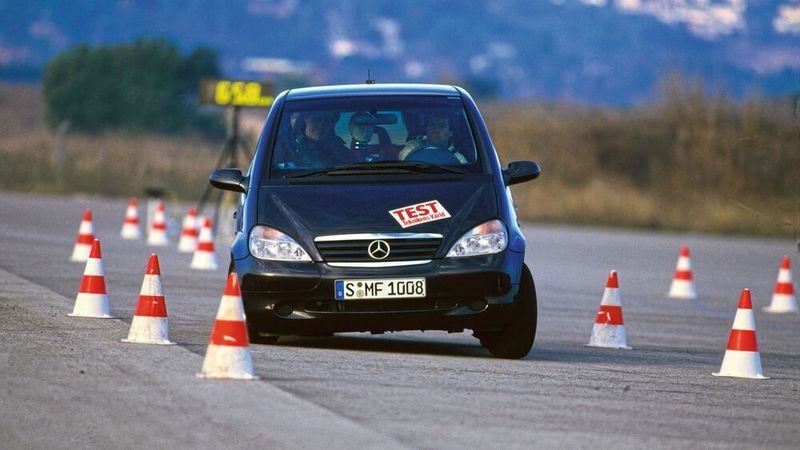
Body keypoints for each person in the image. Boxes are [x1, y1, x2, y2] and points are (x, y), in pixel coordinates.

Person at [292, 111, 358, 167]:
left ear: (332, 125)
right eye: (317, 119)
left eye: (327, 121)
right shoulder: (290, 148)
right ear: (305, 118)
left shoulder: (342, 153)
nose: (321, 125)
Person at [399, 111, 467, 163]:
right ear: (426, 129)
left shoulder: (459, 159)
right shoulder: (414, 145)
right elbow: (404, 157)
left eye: (441, 126)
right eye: (432, 124)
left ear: (450, 132)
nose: (435, 130)